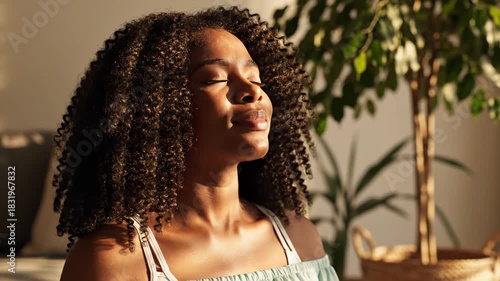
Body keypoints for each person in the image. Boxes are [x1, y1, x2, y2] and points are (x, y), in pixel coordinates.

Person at [55, 6, 339, 281]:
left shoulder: (299, 239)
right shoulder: (113, 261)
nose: (252, 91)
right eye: (216, 79)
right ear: (162, 108)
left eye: (255, 78)